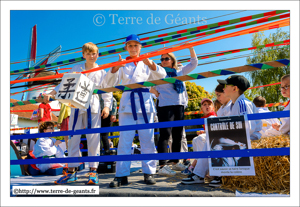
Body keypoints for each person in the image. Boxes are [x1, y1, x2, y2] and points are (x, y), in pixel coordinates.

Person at [44, 42, 113, 185]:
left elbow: (107, 89)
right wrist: (51, 93)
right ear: (83, 55)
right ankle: (71, 171)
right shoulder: (76, 68)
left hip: (93, 107)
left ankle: (93, 170)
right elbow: (65, 82)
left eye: (94, 53)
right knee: (73, 139)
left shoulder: (101, 70)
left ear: (97, 54)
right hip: (76, 106)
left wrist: (106, 106)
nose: (91, 56)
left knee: (93, 139)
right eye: (88, 53)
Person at [105, 34, 167, 187]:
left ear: (140, 47)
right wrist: (115, 68)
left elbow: (163, 75)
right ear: (126, 47)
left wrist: (151, 65)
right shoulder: (122, 63)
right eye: (130, 45)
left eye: (136, 45)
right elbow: (108, 82)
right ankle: (121, 175)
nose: (133, 48)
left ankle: (149, 172)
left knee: (148, 139)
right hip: (127, 104)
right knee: (125, 141)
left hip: (145, 102)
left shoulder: (147, 61)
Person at [151, 47, 198, 176]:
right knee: (165, 134)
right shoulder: (158, 72)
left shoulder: (179, 71)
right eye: (162, 59)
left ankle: (175, 162)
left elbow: (194, 63)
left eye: (167, 58)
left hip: (179, 105)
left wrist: (191, 48)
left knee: (178, 134)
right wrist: (157, 94)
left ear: (172, 60)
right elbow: (148, 86)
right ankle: (162, 165)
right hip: (165, 106)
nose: (164, 61)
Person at [181, 98, 217, 178]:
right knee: (195, 139)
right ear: (201, 108)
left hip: (215, 137)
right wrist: (203, 131)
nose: (207, 106)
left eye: (209, 104)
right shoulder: (205, 118)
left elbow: (214, 130)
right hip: (210, 137)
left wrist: (203, 132)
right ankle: (199, 168)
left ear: (213, 108)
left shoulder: (212, 116)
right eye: (204, 105)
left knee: (199, 139)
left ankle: (196, 167)